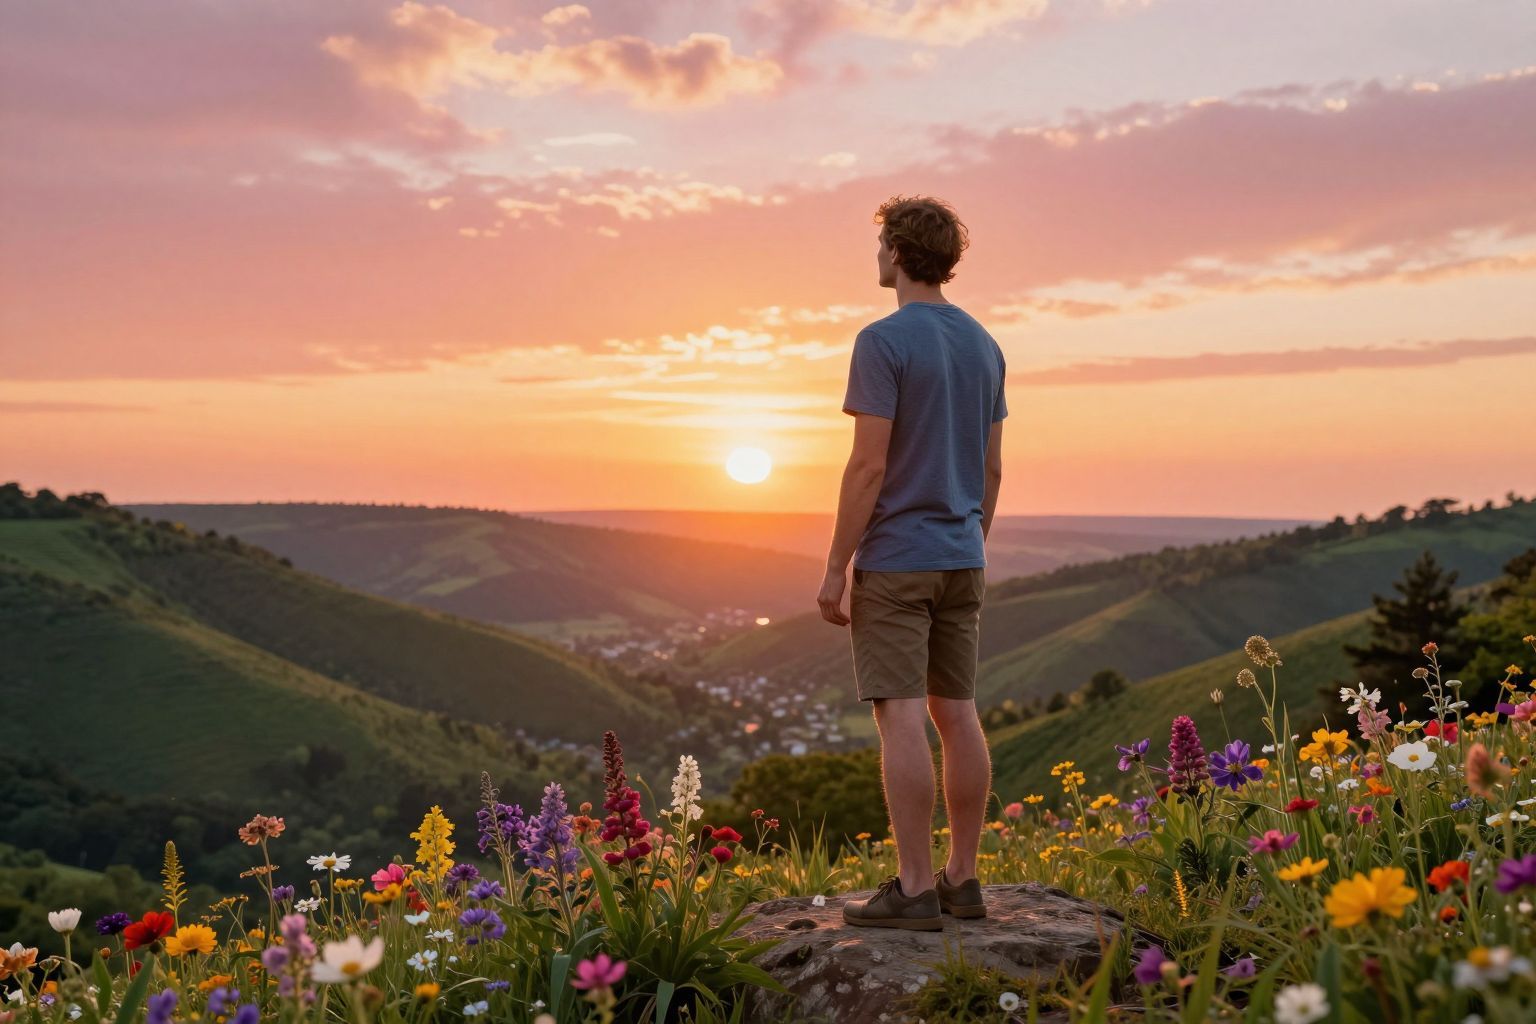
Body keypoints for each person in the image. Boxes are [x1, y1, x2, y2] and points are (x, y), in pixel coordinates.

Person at [817, 194, 1006, 930]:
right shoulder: (984, 345)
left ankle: (916, 888)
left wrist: (836, 565)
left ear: (896, 252)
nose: (877, 256)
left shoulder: (882, 341)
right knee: (957, 713)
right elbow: (991, 468)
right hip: (963, 554)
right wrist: (971, 540)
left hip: (898, 559)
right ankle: (964, 878)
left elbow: (868, 465)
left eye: (880, 245)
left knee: (900, 713)